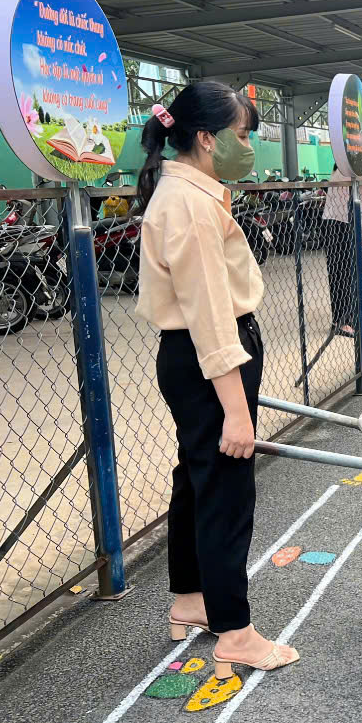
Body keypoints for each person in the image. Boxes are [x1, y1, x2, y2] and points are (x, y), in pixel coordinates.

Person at [135, 81, 298, 679]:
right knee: (227, 489)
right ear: (206, 138)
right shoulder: (190, 204)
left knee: (197, 476)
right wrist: (236, 409)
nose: (247, 144)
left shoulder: (188, 192)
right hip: (211, 358)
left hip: (195, 357)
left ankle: (192, 598)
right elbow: (208, 313)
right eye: (241, 134)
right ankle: (235, 631)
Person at [322, 131, 362, 337]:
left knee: (358, 268)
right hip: (338, 224)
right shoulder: (351, 165)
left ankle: (356, 307)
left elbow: (357, 196)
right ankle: (340, 320)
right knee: (342, 273)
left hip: (352, 222)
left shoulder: (355, 165)